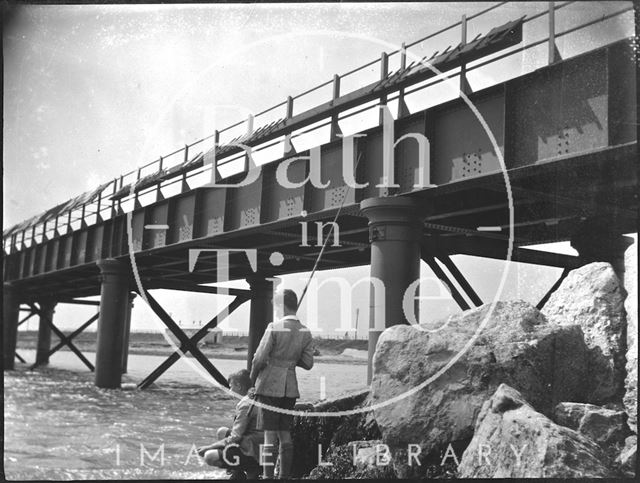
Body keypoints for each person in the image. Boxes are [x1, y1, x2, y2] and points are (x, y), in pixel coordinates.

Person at [250, 287, 314, 479]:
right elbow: (308, 363)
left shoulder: (274, 327)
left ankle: (268, 477)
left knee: (270, 436)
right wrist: (292, 358)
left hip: (269, 385)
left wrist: (251, 381)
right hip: (290, 388)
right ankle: (284, 477)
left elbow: (259, 359)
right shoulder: (305, 331)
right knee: (285, 434)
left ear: (282, 305)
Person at [197, 369, 262, 480]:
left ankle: (251, 469)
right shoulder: (252, 397)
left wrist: (209, 447)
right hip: (255, 442)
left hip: (254, 450)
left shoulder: (245, 405)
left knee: (209, 456)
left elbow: (236, 437)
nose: (230, 390)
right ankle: (238, 473)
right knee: (222, 432)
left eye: (231, 387)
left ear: (239, 386)